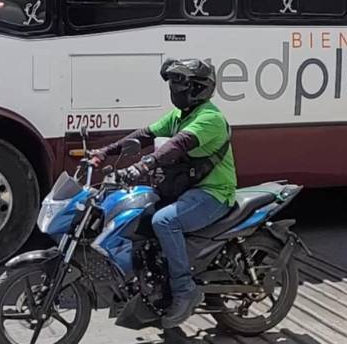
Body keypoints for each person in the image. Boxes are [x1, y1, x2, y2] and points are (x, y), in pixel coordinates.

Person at [91, 58, 238, 328]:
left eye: (180, 83)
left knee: (164, 221)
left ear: (197, 88)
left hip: (213, 193)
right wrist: (105, 152)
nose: (174, 88)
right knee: (137, 210)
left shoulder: (210, 118)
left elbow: (177, 145)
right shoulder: (180, 116)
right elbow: (145, 135)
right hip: (185, 189)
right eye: (172, 82)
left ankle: (184, 290)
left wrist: (142, 166)